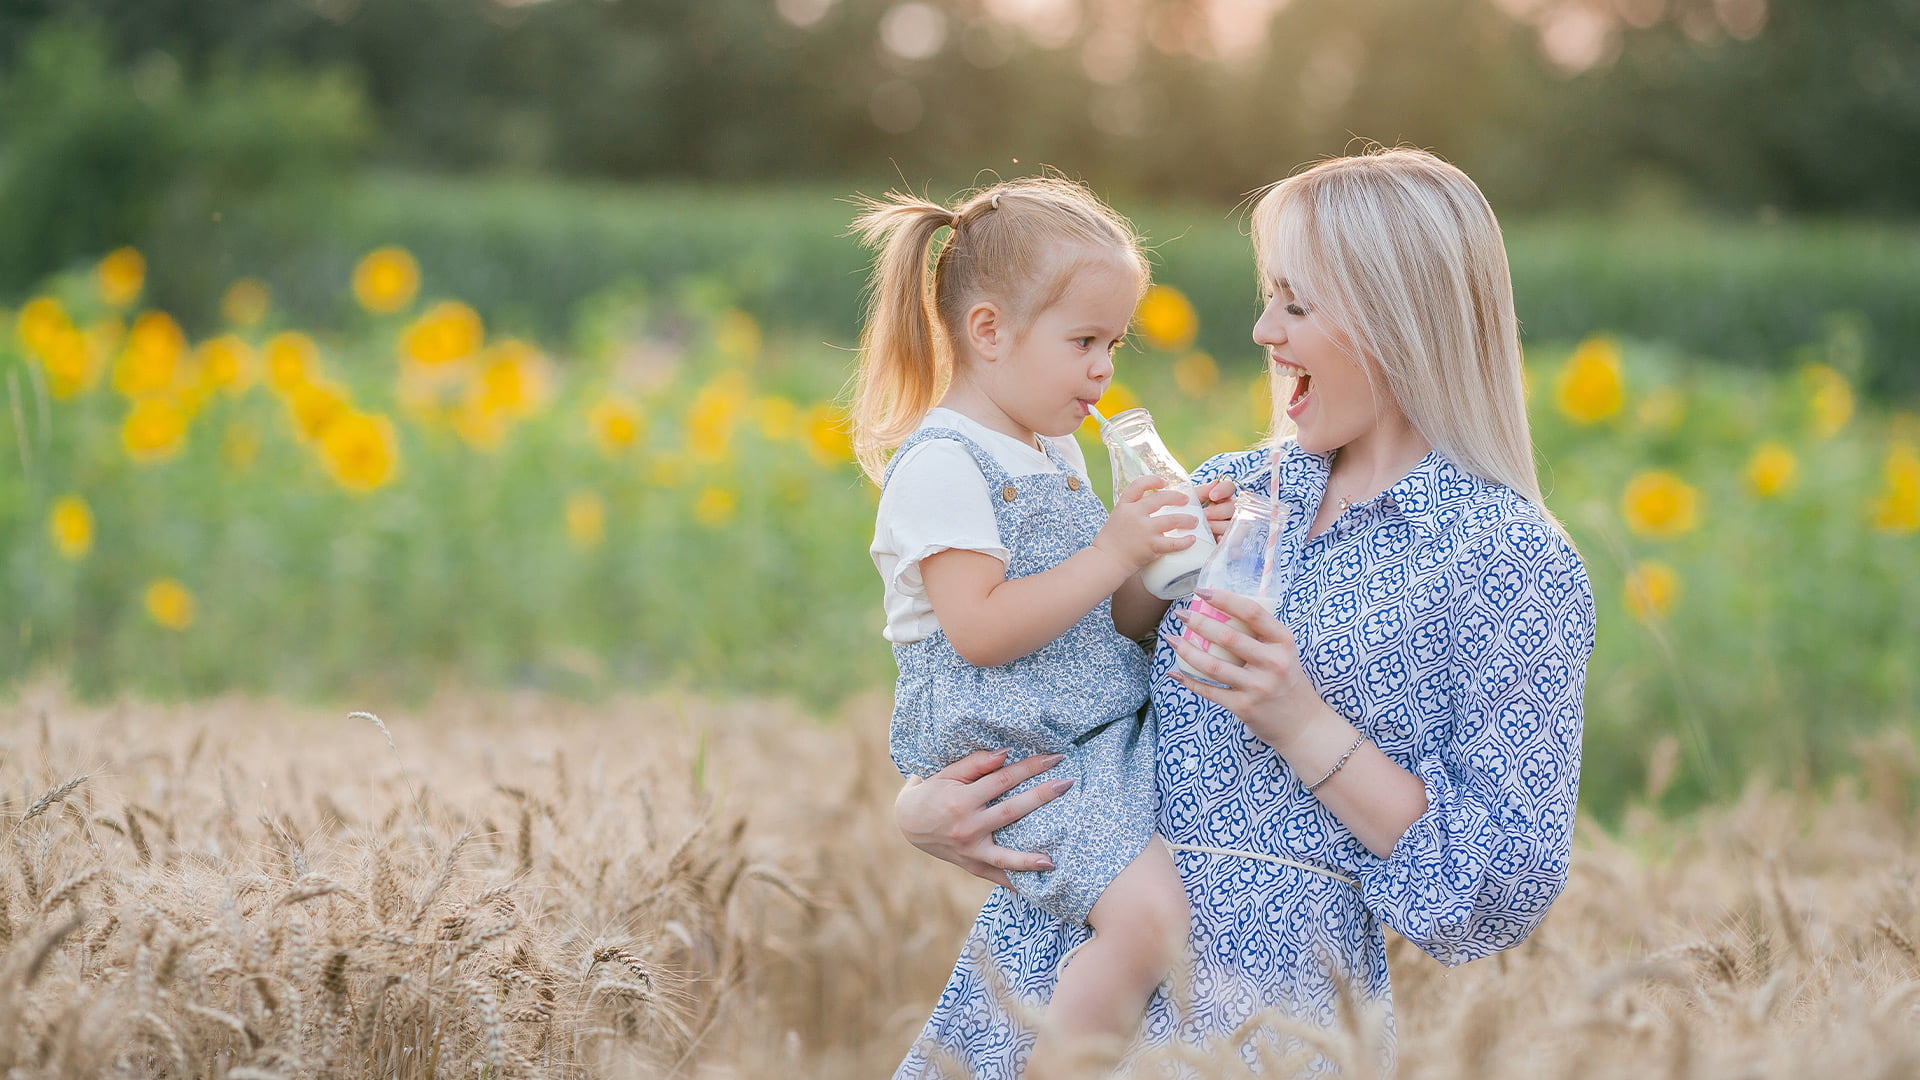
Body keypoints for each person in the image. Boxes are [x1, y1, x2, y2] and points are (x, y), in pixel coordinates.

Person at [892, 147, 1596, 1075]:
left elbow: (1493, 892)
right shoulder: (1227, 491)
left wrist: (1300, 723)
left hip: (1266, 1028)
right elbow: (1059, 677)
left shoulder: (1507, 559)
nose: (1263, 329)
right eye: (1270, 296)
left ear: (1398, 320)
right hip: (1047, 995)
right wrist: (920, 806)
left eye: (1296, 304)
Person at [850, 177, 1239, 1077]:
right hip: (1022, 747)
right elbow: (979, 631)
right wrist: (1111, 548)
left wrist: (1167, 555)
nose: (1104, 369)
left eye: (1114, 343)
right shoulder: (943, 462)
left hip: (1090, 720)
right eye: (1083, 342)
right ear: (988, 333)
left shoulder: (1052, 445)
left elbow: (1111, 622)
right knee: (1149, 918)